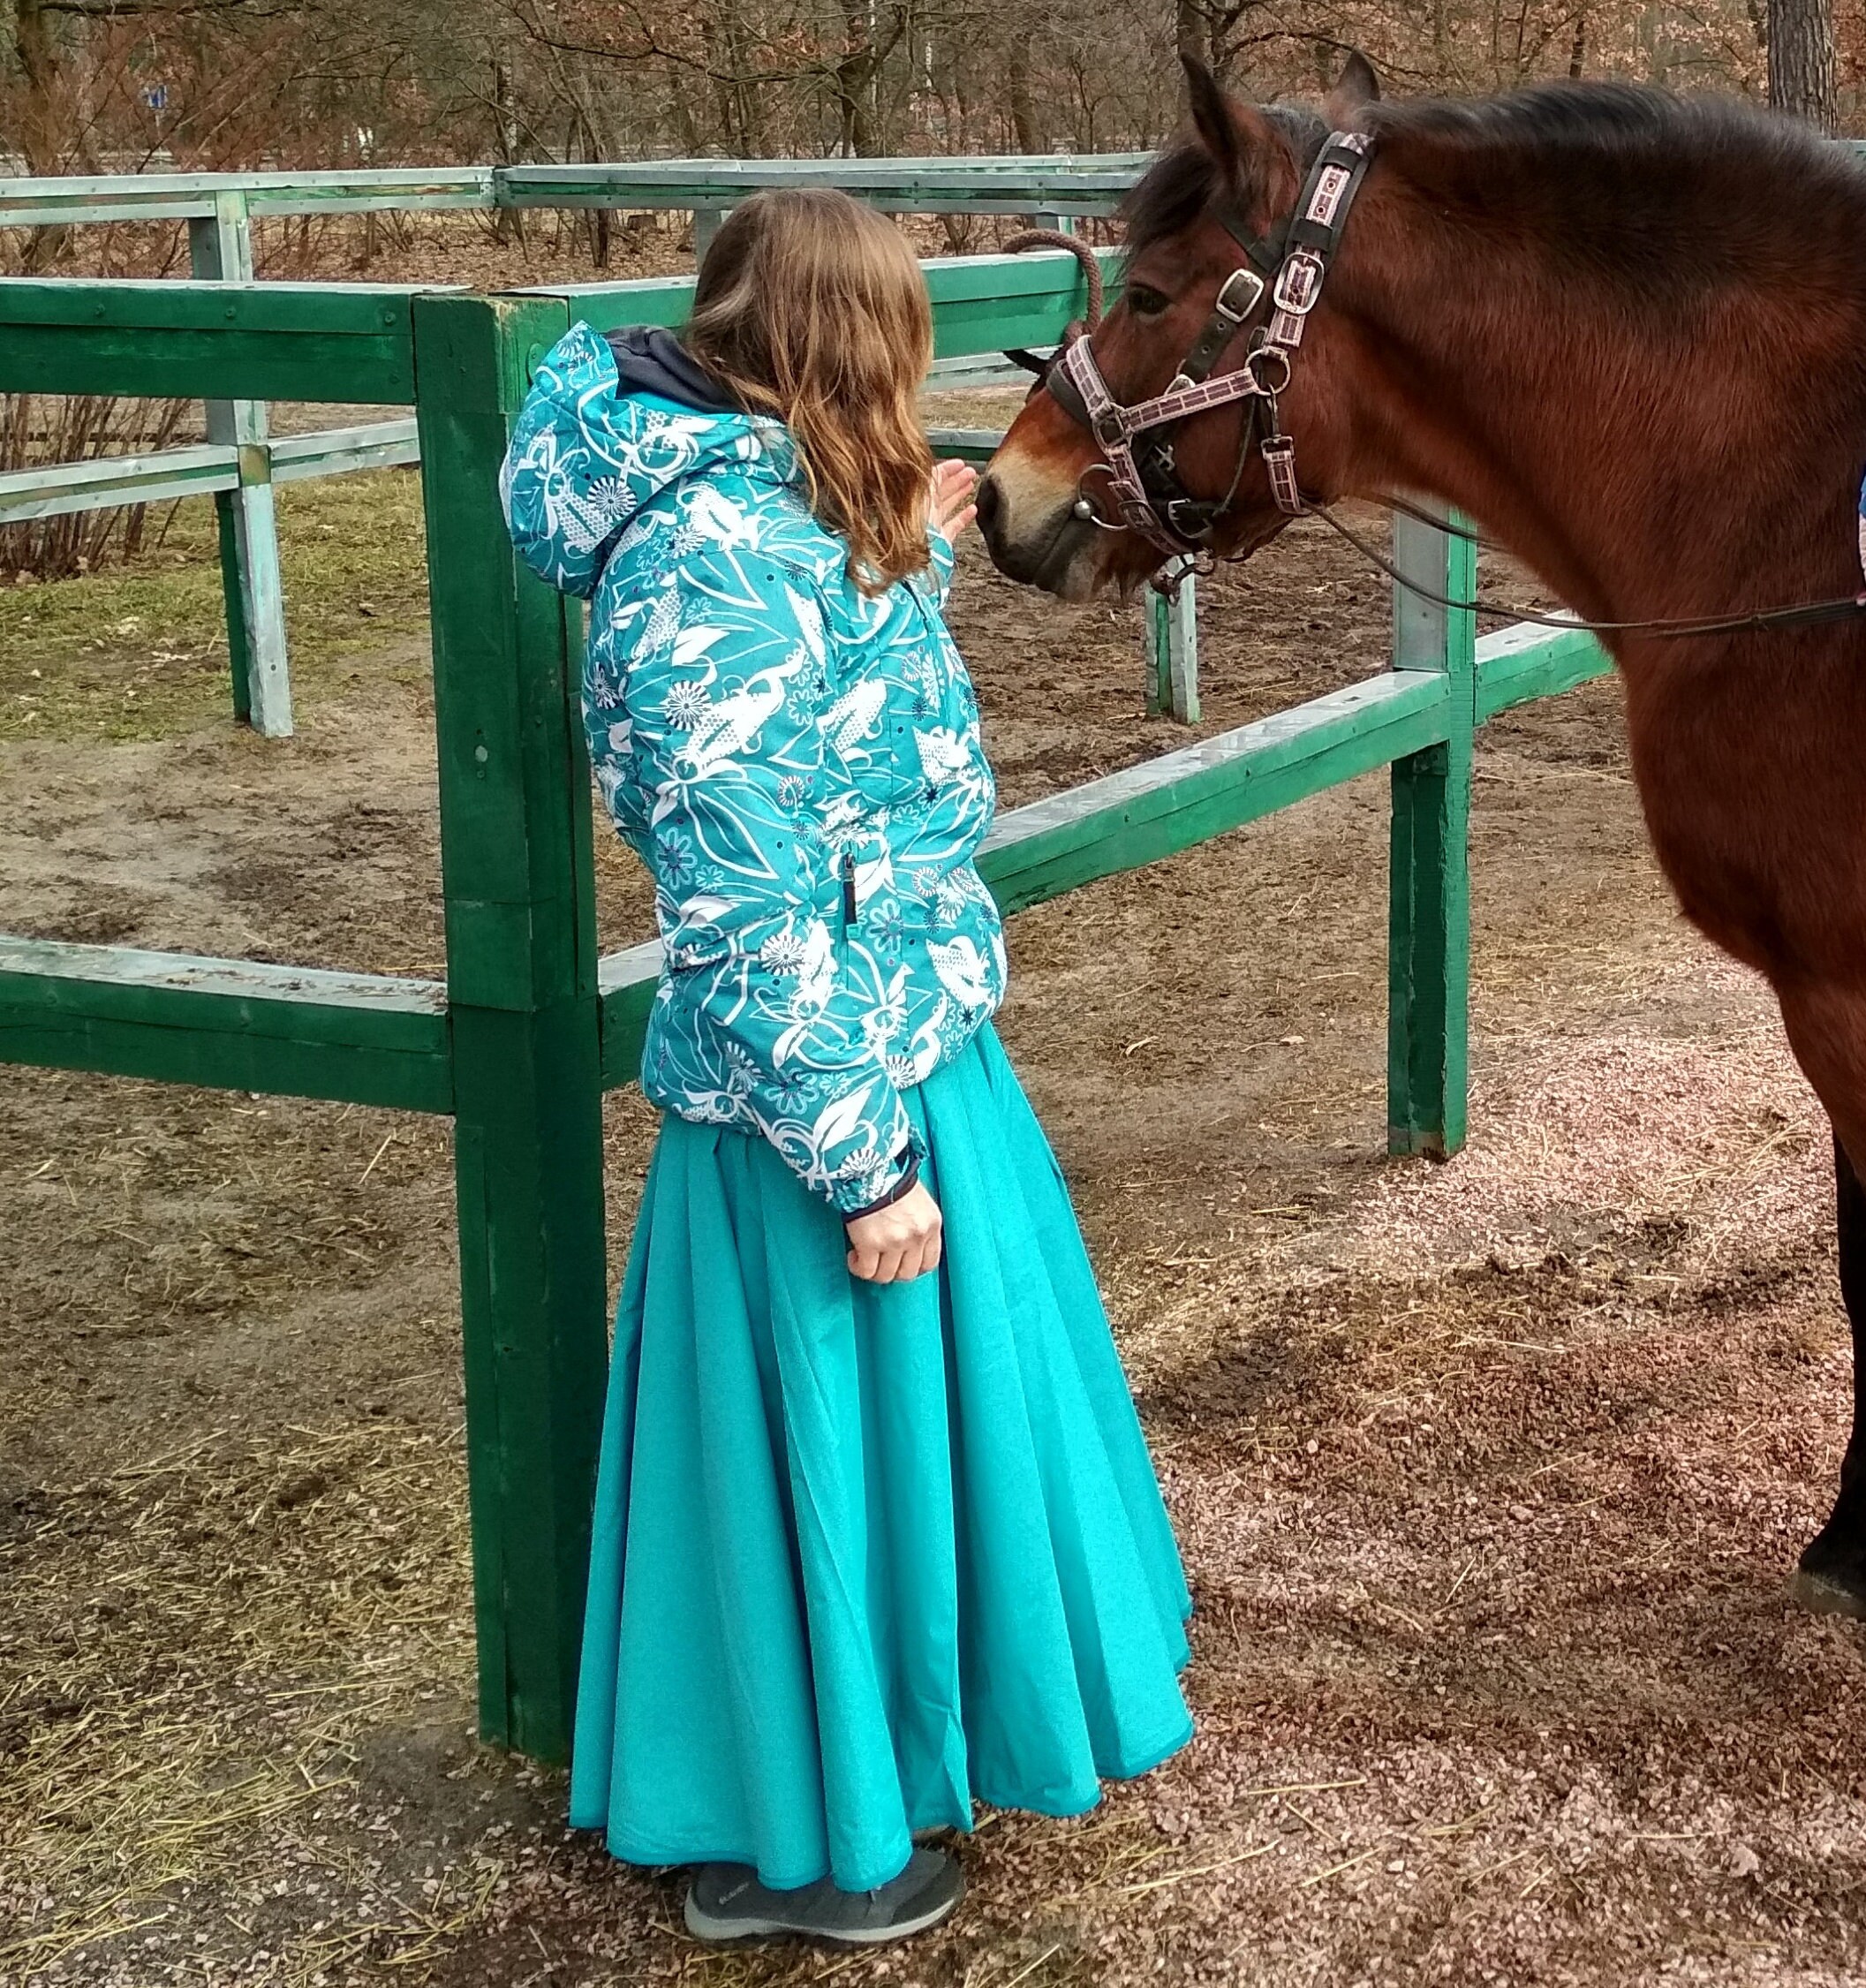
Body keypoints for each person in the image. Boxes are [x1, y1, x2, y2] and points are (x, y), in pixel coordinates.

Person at [500, 186, 1193, 1950]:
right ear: (850, 349)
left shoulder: (760, 512)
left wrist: (910, 560)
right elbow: (742, 900)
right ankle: (813, 1848)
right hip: (823, 1093)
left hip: (894, 1034)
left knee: (887, 1461)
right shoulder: (705, 561)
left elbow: (818, 705)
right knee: (824, 1454)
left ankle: (883, 1774)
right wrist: (864, 1164)